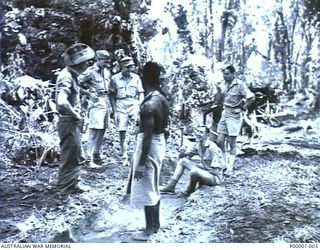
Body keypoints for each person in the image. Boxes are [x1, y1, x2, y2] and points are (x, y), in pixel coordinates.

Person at [130, 61, 170, 241]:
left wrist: (140, 164)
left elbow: (146, 136)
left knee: (147, 186)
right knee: (153, 183)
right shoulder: (161, 98)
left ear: (144, 77)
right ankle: (155, 225)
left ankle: (149, 229)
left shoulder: (149, 105)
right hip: (159, 142)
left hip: (150, 145)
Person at [55, 43, 95, 194]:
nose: (87, 64)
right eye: (85, 62)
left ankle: (72, 184)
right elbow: (62, 101)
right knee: (70, 154)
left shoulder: (71, 75)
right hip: (68, 121)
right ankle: (65, 188)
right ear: (78, 63)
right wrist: (76, 115)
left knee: (75, 153)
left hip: (71, 121)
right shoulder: (66, 77)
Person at [160, 126, 223, 197]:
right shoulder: (199, 144)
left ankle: (189, 190)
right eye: (197, 131)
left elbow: (216, 171)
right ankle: (170, 187)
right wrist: (182, 152)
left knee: (194, 171)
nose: (198, 134)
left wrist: (201, 173)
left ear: (207, 135)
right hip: (205, 171)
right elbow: (186, 154)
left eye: (201, 132)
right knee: (182, 161)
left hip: (214, 178)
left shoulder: (213, 148)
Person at [216, 65, 255, 175]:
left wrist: (243, 108)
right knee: (219, 140)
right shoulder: (222, 83)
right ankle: (223, 164)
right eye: (224, 73)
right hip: (225, 112)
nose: (225, 76)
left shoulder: (240, 85)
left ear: (233, 74)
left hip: (235, 114)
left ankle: (230, 168)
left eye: (227, 74)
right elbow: (219, 97)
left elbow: (251, 97)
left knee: (231, 142)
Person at [78, 50, 112, 167]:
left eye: (108, 61)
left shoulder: (106, 72)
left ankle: (96, 154)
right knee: (93, 130)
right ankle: (88, 159)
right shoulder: (90, 72)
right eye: (104, 61)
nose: (107, 63)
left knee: (103, 129)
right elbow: (76, 84)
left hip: (106, 102)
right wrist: (88, 93)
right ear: (98, 60)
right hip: (96, 103)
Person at [109, 56, 144, 165]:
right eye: (127, 67)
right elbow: (112, 96)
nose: (130, 69)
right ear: (121, 67)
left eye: (131, 67)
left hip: (133, 103)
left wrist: (140, 106)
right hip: (120, 104)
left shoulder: (136, 78)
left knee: (138, 129)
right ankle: (124, 156)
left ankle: (136, 154)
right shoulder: (114, 78)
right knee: (122, 130)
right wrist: (114, 111)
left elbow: (141, 92)